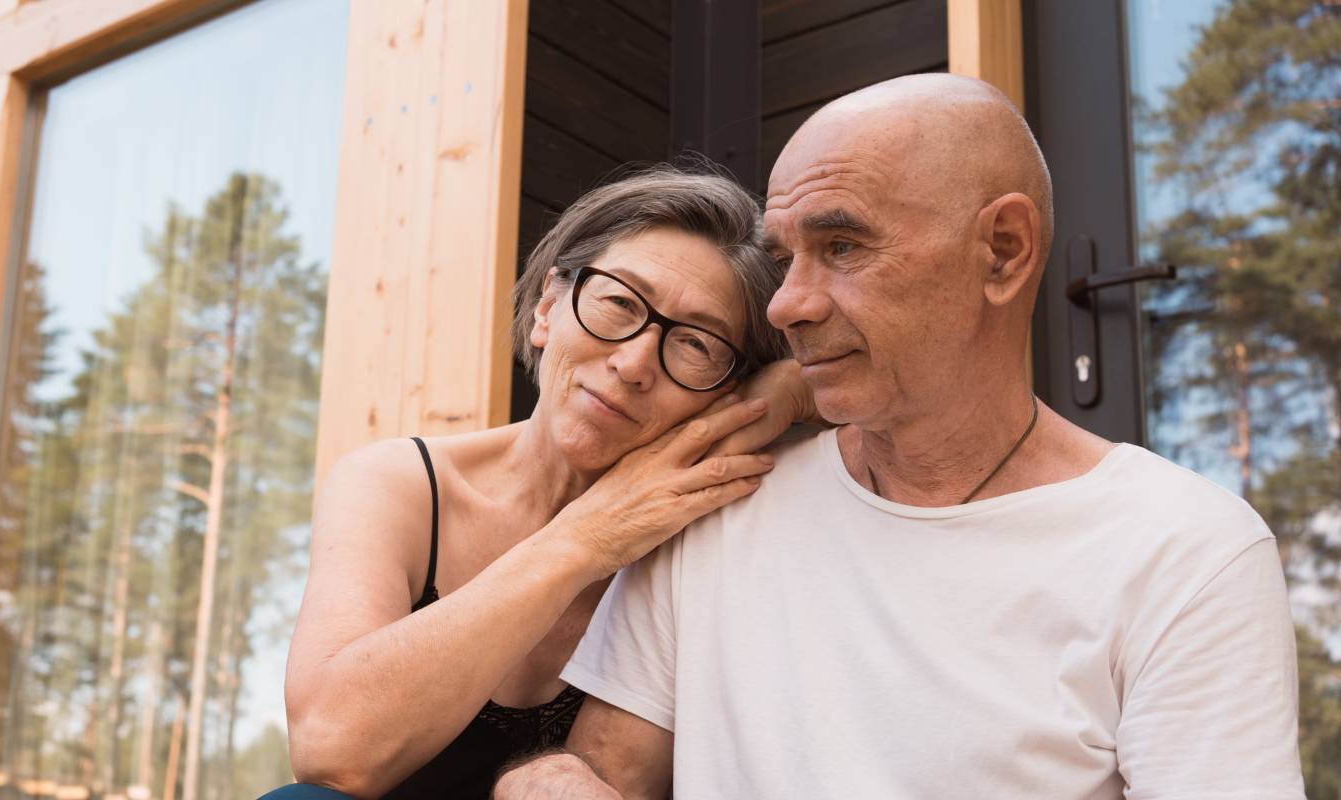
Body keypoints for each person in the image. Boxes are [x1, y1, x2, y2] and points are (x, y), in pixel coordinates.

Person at [495, 75, 1305, 798]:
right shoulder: (719, 502)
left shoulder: (1183, 552)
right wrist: (550, 778)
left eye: (843, 246)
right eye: (786, 260)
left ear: (1003, 252)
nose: (786, 306)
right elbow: (605, 772)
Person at [268, 164, 816, 799]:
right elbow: (329, 748)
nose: (634, 363)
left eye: (696, 344)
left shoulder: (704, 526)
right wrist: (586, 538)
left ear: (727, 388)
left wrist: (791, 389)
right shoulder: (400, 485)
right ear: (549, 309)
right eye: (618, 303)